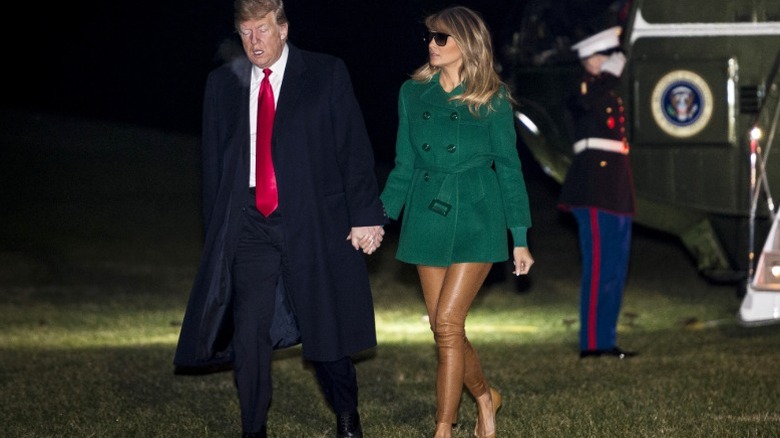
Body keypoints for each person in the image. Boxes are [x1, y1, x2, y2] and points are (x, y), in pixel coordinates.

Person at [172, 0, 386, 436]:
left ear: (283, 29)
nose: (254, 42)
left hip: (311, 219)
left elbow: (354, 150)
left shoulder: (325, 74)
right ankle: (254, 428)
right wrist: (218, 230)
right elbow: (213, 164)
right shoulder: (222, 85)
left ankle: (347, 415)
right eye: (246, 32)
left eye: (263, 30)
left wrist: (366, 215)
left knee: (323, 326)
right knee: (249, 333)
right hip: (250, 222)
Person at [379, 6, 535, 438]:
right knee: (443, 328)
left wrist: (519, 238)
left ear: (466, 43)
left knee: (447, 323)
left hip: (477, 217)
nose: (432, 44)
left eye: (441, 38)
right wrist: (379, 217)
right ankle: (486, 398)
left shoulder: (492, 97)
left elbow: (509, 169)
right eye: (429, 37)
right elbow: (403, 166)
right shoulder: (412, 94)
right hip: (427, 214)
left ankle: (442, 428)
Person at [558, 26, 637, 359]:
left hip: (616, 187)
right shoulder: (584, 88)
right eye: (602, 58)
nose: (608, 64)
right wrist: (606, 77)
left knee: (616, 269)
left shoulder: (610, 92)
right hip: (592, 188)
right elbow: (582, 103)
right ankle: (591, 343)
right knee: (598, 267)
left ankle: (607, 339)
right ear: (589, 60)